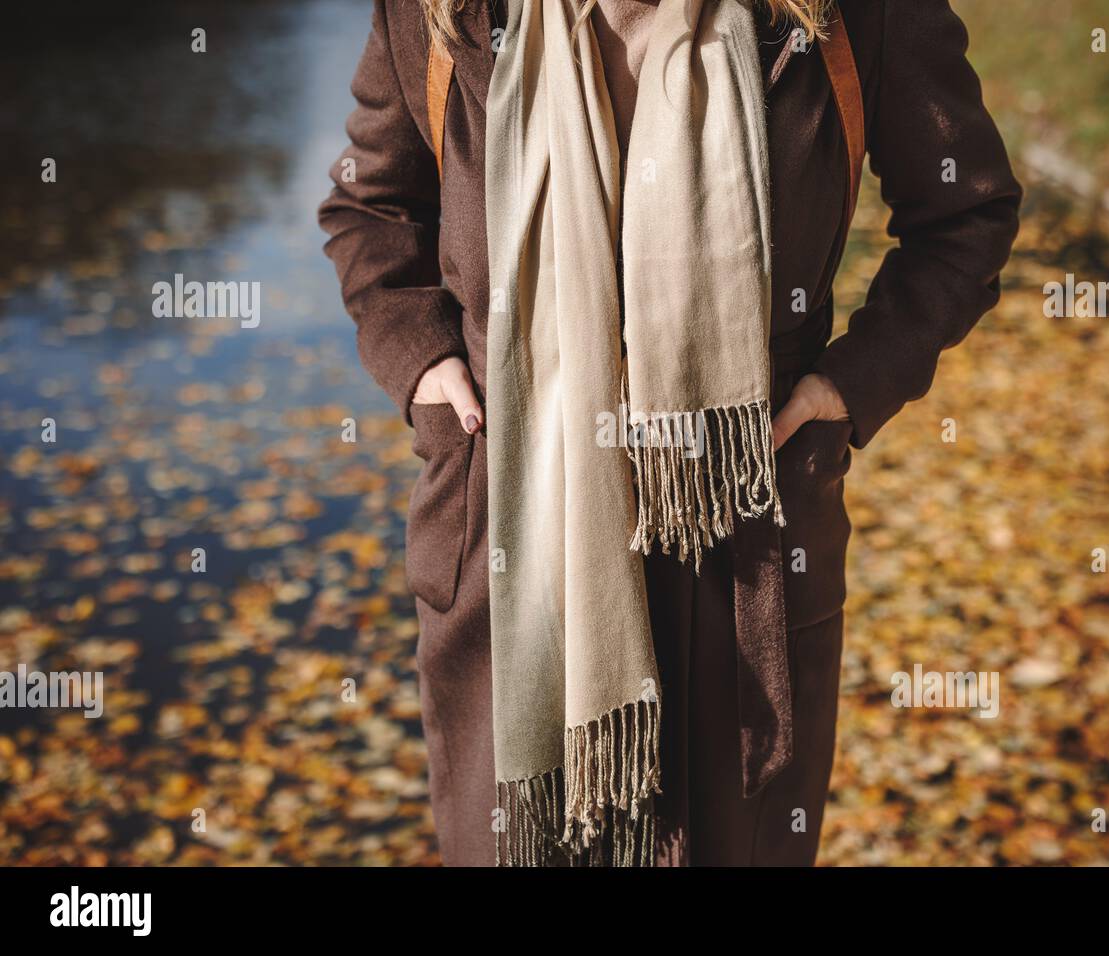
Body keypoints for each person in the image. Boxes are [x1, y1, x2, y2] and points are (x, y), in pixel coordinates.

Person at [318, 0, 1021, 866]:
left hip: (741, 551)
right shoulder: (439, 12)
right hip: (510, 553)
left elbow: (965, 214)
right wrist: (422, 362)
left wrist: (849, 383)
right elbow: (371, 209)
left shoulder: (849, 12)